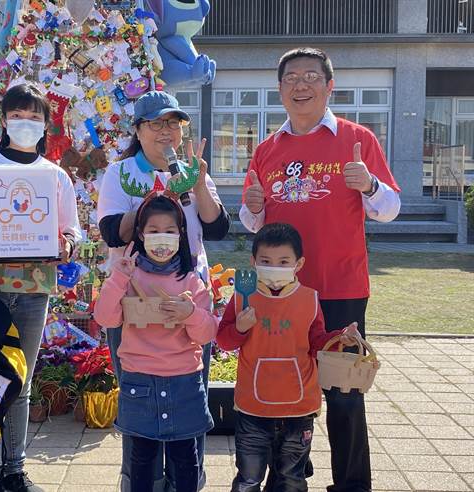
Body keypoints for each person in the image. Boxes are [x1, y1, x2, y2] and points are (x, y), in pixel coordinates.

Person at [239, 47, 401, 492]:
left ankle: (352, 484)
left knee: (344, 393)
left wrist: (367, 183)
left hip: (340, 288)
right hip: (280, 291)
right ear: (280, 89)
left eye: (311, 77)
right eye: (291, 78)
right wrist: (252, 210)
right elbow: (254, 224)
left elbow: (391, 209)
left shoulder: (357, 138)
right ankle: (290, 475)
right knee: (281, 383)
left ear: (330, 86)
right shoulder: (268, 150)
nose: (301, 85)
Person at [0, 82, 82, 492]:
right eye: (18, 115)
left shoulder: (54, 176)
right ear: (3, 120)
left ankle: (15, 467)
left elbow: (71, 230)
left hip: (33, 288)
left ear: (46, 124)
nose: (26, 123)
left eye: (35, 116)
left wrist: (68, 245)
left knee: (18, 380)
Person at [97, 90, 230, 491]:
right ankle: (139, 479)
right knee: (138, 397)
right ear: (138, 130)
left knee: (191, 389)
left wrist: (197, 182)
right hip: (132, 299)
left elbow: (218, 227)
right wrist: (157, 198)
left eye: (173, 123)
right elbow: (109, 232)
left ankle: (187, 478)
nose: (166, 131)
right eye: (156, 123)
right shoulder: (120, 173)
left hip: (186, 298)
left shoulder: (192, 170)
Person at [217, 223, 360, 492]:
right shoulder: (242, 298)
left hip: (299, 408)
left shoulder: (309, 299)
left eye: (284, 261)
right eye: (266, 261)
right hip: (252, 407)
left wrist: (340, 338)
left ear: (299, 263)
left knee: (292, 480)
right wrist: (239, 329)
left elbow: (317, 342)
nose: (275, 267)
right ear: (253, 262)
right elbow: (223, 341)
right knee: (248, 479)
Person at [94, 193, 219, 492]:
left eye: (170, 231)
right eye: (153, 231)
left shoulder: (190, 280)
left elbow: (206, 334)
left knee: (185, 456)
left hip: (184, 380)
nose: (161, 238)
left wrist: (190, 313)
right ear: (140, 234)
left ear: (181, 234)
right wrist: (118, 279)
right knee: (142, 456)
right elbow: (106, 318)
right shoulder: (128, 274)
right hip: (140, 380)